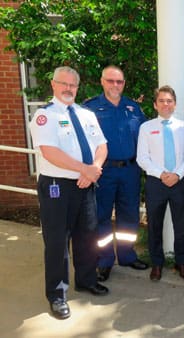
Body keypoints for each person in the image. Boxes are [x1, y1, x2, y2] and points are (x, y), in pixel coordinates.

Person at [29, 66, 109, 320]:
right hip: (57, 187)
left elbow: (101, 145)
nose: (68, 88)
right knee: (56, 241)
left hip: (85, 185)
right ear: (53, 85)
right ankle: (56, 294)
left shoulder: (86, 114)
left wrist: (94, 169)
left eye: (72, 85)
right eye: (63, 83)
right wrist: (84, 169)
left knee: (87, 234)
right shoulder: (44, 116)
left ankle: (85, 280)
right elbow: (50, 151)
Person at [83, 66, 148, 282]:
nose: (115, 85)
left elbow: (145, 139)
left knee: (129, 215)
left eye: (119, 81)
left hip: (130, 170)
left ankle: (127, 255)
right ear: (102, 82)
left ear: (124, 83)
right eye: (110, 81)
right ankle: (105, 260)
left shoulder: (133, 108)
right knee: (101, 216)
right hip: (103, 171)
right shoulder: (90, 109)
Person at [136, 85, 184, 281]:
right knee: (154, 226)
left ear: (175, 104)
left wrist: (177, 174)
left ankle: (182, 263)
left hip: (179, 182)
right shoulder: (146, 128)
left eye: (169, 101)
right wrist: (161, 174)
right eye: (161, 100)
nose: (165, 104)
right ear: (155, 104)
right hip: (155, 183)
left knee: (181, 226)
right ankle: (157, 264)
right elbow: (142, 158)